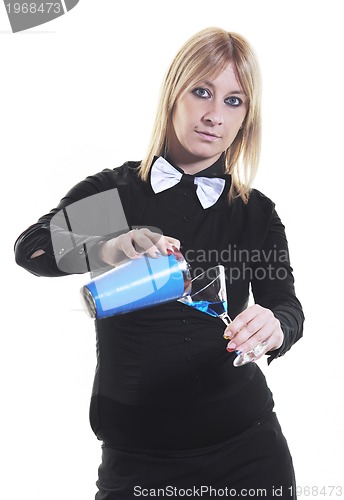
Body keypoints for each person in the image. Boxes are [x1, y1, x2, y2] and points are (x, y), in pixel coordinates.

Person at [14, 27, 304, 499]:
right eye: (202, 92)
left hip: (248, 452)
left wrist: (275, 326)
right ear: (174, 93)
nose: (214, 115)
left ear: (247, 117)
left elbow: (287, 308)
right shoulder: (119, 196)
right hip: (137, 462)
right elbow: (33, 250)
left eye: (235, 101)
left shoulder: (253, 212)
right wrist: (109, 247)